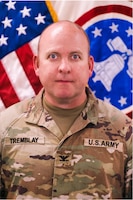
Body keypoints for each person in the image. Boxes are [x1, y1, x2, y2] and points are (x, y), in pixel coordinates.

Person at [0, 20, 132, 199]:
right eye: (53, 56)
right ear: (37, 64)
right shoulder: (4, 128)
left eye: (75, 56)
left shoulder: (125, 132)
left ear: (90, 66)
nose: (64, 67)